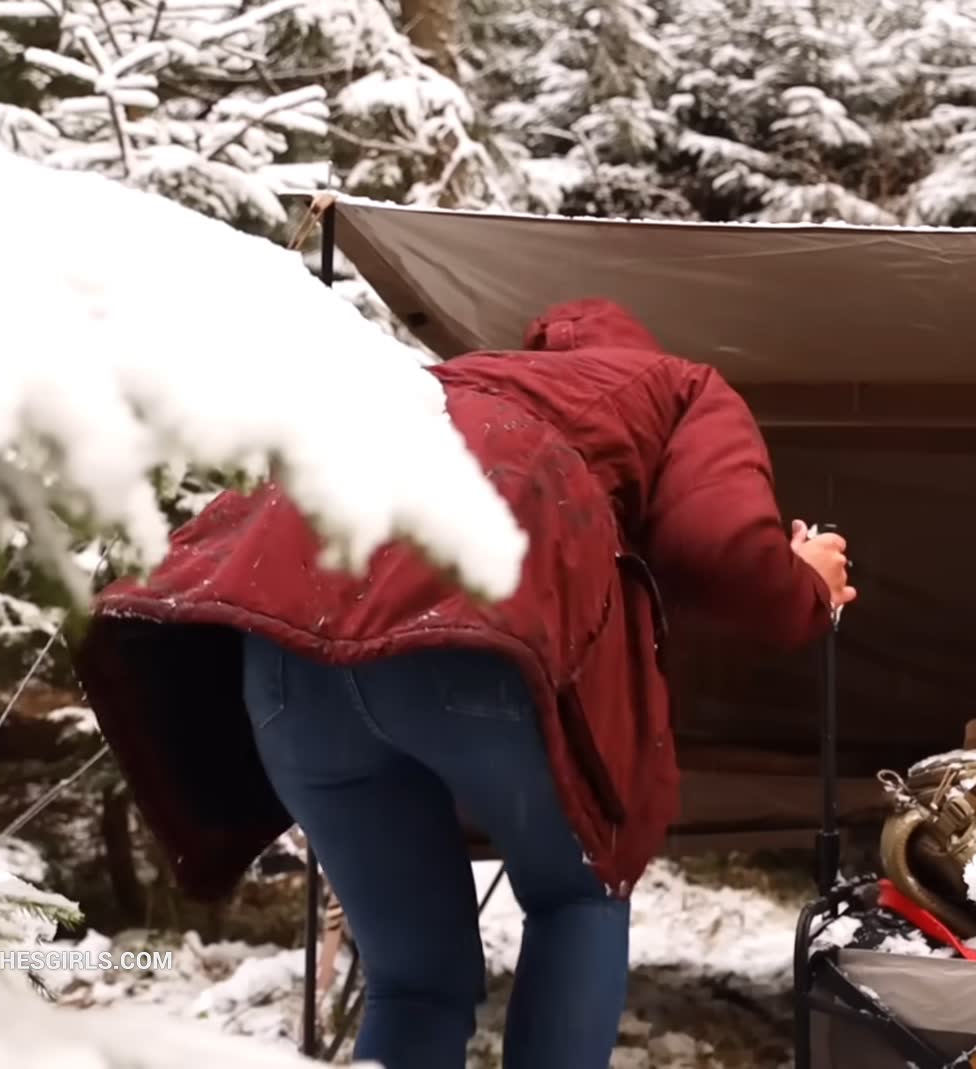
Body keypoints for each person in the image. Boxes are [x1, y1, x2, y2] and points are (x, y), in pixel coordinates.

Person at [72, 297, 855, 1069]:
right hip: (471, 636)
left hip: (284, 657)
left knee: (414, 981)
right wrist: (807, 582)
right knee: (577, 898)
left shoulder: (446, 378)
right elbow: (723, 552)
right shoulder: (678, 384)